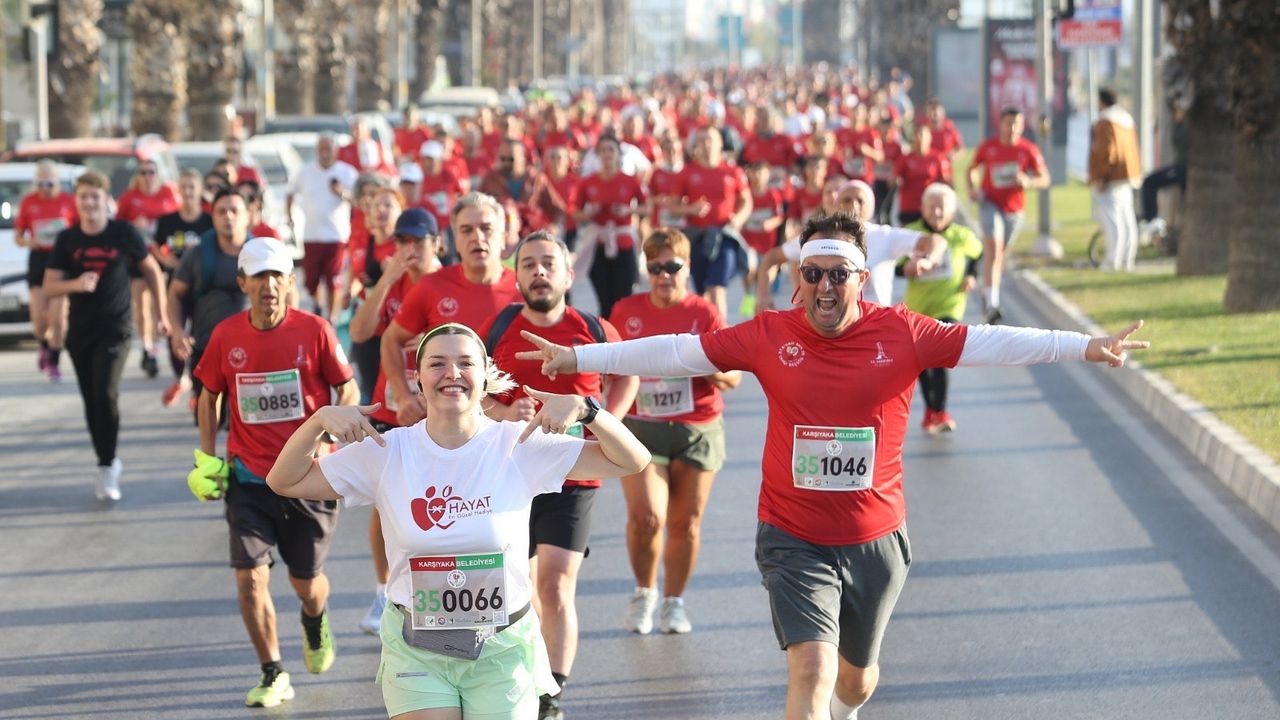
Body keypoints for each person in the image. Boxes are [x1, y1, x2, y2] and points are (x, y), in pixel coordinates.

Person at [517, 211, 1150, 720]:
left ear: (861, 278)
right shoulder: (771, 333)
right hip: (793, 535)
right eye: (812, 274)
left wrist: (1087, 346)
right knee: (811, 669)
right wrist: (578, 358)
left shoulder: (902, 332)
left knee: (856, 680)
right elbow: (680, 352)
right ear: (799, 278)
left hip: (876, 537)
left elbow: (994, 342)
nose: (824, 287)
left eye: (838, 275)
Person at [265, 322, 650, 719]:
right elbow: (285, 480)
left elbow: (631, 460)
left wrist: (589, 411)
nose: (452, 373)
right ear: (418, 379)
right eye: (437, 364)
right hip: (417, 648)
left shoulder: (519, 444)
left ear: (484, 378)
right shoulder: (386, 451)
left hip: (502, 648)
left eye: (465, 363)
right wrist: (318, 422)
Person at [188, 237, 356, 708]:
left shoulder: (315, 330)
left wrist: (329, 435)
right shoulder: (226, 336)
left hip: (307, 477)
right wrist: (208, 457)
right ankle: (272, 670)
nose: (269, 285)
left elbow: (347, 389)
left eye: (276, 275)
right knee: (249, 578)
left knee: (307, 583)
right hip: (248, 477)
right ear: (242, 282)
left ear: (289, 281)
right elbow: (208, 395)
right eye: (259, 276)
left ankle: (314, 617)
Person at [478, 230, 639, 720]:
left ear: (569, 275)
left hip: (574, 475)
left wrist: (605, 423)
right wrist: (504, 413)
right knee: (519, 586)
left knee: (555, 584)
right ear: (517, 276)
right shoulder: (497, 327)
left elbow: (627, 375)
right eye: (528, 264)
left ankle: (551, 695)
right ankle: (525, 673)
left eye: (548, 263)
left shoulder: (593, 328)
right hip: (513, 476)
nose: (539, 272)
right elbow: (474, 395)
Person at [607, 228, 740, 636]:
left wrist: (704, 366)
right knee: (647, 516)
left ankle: (673, 602)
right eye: (655, 268)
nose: (664, 275)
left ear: (688, 267)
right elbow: (607, 365)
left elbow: (733, 376)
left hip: (697, 427)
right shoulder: (625, 310)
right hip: (642, 428)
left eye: (672, 266)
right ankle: (644, 592)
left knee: (686, 524)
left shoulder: (705, 313)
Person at [42, 170, 170, 501]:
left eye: (95, 196)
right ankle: (104, 460)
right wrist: (76, 284)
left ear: (107, 201)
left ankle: (108, 464)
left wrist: (162, 315)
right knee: (91, 400)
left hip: (116, 328)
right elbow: (49, 286)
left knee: (105, 393)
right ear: (76, 201)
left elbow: (152, 271)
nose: (89, 202)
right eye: (83, 196)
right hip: (80, 332)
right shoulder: (67, 239)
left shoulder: (123, 232)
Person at [348, 207, 443, 635]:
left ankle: (437, 589)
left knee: (440, 501)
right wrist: (386, 279)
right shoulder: (393, 285)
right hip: (393, 406)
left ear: (436, 243)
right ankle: (383, 592)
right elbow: (359, 332)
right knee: (386, 502)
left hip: (441, 410)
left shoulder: (449, 285)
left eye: (418, 241)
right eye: (402, 241)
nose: (409, 249)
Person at [380, 192, 521, 427]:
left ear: (503, 236)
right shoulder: (432, 286)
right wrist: (403, 396)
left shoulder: (524, 289)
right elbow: (390, 340)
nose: (477, 237)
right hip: (447, 426)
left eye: (486, 228)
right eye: (466, 230)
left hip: (509, 425)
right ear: (455, 239)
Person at [754, 180, 943, 309]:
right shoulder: (819, 235)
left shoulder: (884, 236)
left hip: (874, 327)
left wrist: (926, 260)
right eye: (847, 200)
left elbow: (936, 241)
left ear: (871, 207)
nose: (853, 205)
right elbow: (771, 258)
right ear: (836, 204)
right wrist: (763, 296)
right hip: (830, 328)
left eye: (860, 201)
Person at [900, 184, 983, 433]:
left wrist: (971, 275)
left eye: (941, 207)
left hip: (950, 305)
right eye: (931, 206)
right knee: (922, 363)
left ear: (952, 211)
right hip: (918, 308)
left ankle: (941, 411)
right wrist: (906, 269)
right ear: (922, 208)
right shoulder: (912, 234)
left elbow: (977, 255)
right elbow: (896, 264)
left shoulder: (962, 236)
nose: (936, 212)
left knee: (941, 357)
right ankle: (930, 410)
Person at [167, 189, 252, 419]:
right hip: (207, 349)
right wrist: (177, 331)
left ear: (248, 215)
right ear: (212, 216)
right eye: (221, 211)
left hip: (254, 350)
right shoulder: (197, 254)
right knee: (209, 418)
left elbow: (287, 294)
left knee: (248, 421)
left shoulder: (262, 254)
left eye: (234, 210)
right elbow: (175, 294)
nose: (228, 216)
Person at [967, 107, 1049, 324]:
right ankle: (992, 303)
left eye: (1016, 124)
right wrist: (972, 189)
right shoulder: (989, 147)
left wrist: (1028, 181)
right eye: (1008, 123)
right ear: (1001, 124)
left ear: (1022, 126)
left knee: (1000, 255)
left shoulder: (1028, 149)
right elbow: (972, 168)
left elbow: (1044, 178)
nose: (1012, 128)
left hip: (1014, 210)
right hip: (989, 203)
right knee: (993, 248)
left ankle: (988, 290)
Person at [671, 128, 753, 320]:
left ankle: (725, 326)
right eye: (702, 141)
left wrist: (738, 218)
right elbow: (673, 207)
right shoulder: (686, 172)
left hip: (724, 235)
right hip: (696, 236)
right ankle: (706, 328)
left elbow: (746, 201)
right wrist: (691, 209)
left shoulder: (733, 171)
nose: (707, 145)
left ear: (720, 144)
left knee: (717, 287)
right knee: (701, 291)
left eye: (710, 140)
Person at [13, 159, 77, 382]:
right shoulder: (29, 201)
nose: (44, 188)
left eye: (49, 184)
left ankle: (54, 362)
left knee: (57, 317)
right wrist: (30, 242)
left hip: (62, 260)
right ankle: (43, 344)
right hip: (39, 259)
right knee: (39, 320)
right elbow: (18, 236)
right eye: (40, 184)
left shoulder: (69, 201)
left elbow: (80, 230)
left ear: (57, 181)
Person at [154, 168, 214, 406]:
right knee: (174, 332)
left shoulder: (209, 221)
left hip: (202, 289)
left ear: (200, 191)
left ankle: (199, 389)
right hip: (176, 287)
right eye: (184, 188)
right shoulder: (167, 221)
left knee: (201, 338)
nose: (188, 192)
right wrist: (169, 262)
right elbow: (156, 247)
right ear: (178, 191)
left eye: (192, 187)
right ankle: (181, 378)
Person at [116, 158, 180, 378]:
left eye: (151, 172)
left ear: (157, 174)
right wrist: (133, 225)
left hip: (161, 256)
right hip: (137, 257)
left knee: (158, 306)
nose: (147, 176)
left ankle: (154, 349)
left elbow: (177, 222)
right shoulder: (129, 197)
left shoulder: (168, 193)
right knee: (140, 305)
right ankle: (146, 347)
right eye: (142, 172)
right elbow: (117, 226)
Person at [286, 132, 360, 321]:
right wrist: (290, 218)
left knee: (333, 280)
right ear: (317, 150)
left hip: (336, 236)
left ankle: (331, 319)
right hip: (311, 235)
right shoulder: (305, 172)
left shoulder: (347, 172)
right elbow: (290, 193)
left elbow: (358, 199)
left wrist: (341, 193)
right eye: (322, 148)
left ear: (336, 151)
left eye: (329, 148)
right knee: (311, 280)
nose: (325, 152)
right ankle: (318, 306)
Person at [573, 135, 646, 319]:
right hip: (597, 243)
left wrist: (628, 210)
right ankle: (606, 332)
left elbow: (647, 207)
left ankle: (623, 332)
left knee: (624, 296)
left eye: (611, 150)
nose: (606, 154)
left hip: (623, 242)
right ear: (597, 155)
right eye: (602, 150)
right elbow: (574, 211)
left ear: (618, 154)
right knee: (604, 299)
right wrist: (589, 213)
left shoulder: (630, 180)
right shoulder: (588, 182)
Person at [1088, 88, 1143, 272]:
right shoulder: (1126, 120)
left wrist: (1101, 176)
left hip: (1110, 178)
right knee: (1127, 220)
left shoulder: (1106, 122)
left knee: (1112, 222)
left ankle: (1113, 261)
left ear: (1101, 102)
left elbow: (1106, 151)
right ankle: (1127, 260)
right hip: (1126, 176)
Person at [891, 124, 951, 226]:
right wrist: (895, 181)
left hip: (931, 206)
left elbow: (945, 180)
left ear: (929, 138)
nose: (919, 139)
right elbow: (893, 179)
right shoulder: (905, 159)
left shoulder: (937, 158)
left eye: (922, 135)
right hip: (909, 206)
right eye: (916, 135)